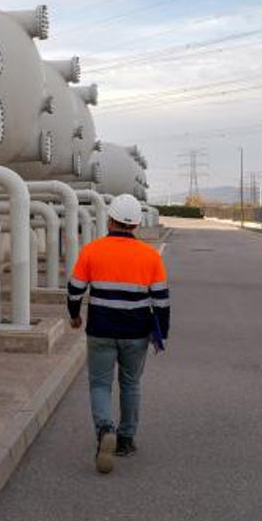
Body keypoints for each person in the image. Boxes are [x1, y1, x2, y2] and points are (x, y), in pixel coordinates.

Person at [67, 193, 170, 474]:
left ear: (110, 220)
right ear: (136, 225)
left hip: (100, 329)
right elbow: (161, 300)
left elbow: (75, 288)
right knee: (130, 384)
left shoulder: (92, 250)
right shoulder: (149, 256)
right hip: (136, 332)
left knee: (100, 385)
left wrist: (74, 315)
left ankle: (104, 430)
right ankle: (125, 440)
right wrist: (161, 333)